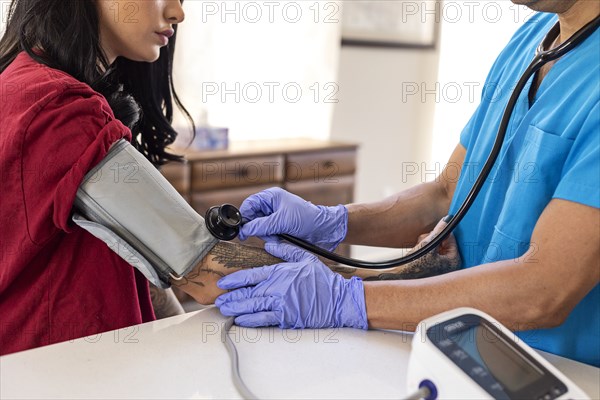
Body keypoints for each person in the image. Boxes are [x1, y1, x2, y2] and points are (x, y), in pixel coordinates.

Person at [0, 0, 453, 356]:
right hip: (59, 368)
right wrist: (409, 275)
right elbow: (204, 266)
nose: (178, 11)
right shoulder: (62, 111)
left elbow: (155, 269)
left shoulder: (22, 83)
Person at [215, 0, 600, 367]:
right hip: (461, 351)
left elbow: (546, 289)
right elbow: (446, 194)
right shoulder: (531, 38)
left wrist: (349, 300)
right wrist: (333, 221)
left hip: (558, 373)